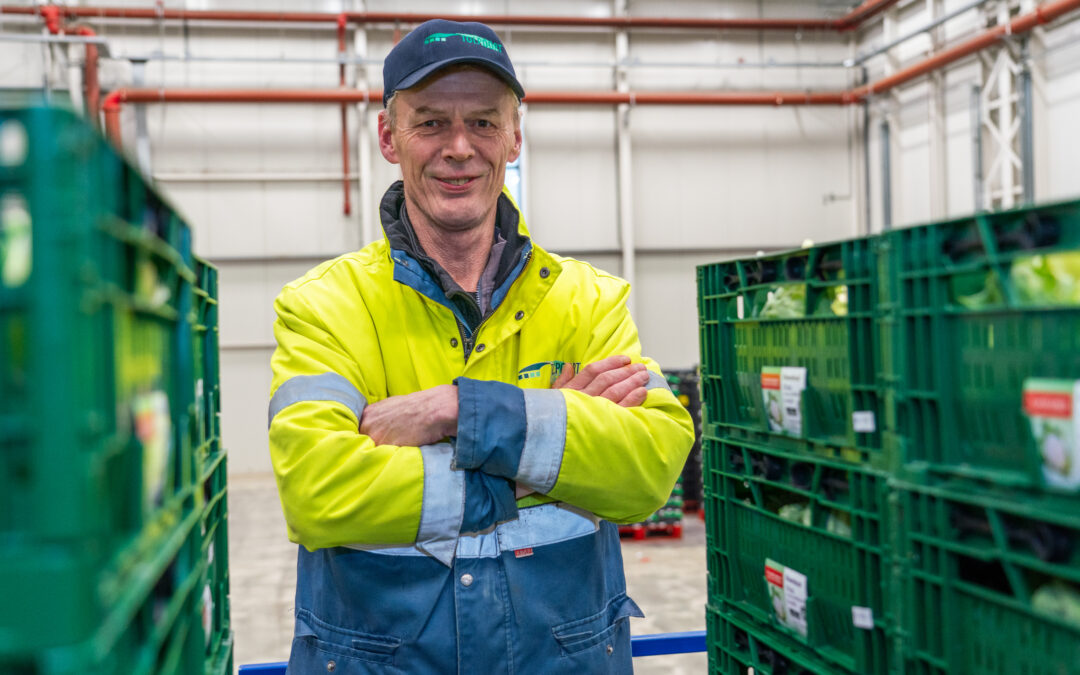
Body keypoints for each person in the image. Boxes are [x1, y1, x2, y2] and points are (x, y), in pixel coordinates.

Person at [268, 18, 693, 674]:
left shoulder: (588, 300)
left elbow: (649, 466)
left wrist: (456, 410)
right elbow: (318, 491)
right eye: (431, 122)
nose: (460, 147)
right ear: (389, 136)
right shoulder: (325, 306)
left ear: (515, 136)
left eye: (484, 123)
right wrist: (543, 451)